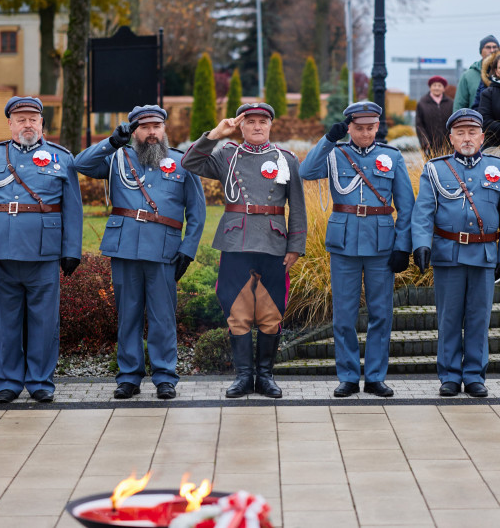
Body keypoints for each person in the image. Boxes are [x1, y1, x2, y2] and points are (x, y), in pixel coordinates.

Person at [0, 96, 83, 404]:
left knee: (44, 323)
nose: (27, 124)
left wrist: (71, 249)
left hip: (43, 253)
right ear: (9, 123)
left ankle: (40, 382)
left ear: (42, 123)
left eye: (33, 119)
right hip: (4, 252)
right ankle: (7, 381)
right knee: (6, 322)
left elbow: (73, 208)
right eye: (20, 119)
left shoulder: (61, 158)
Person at [75, 105, 205, 401]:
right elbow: (80, 164)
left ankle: (164, 377)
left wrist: (188, 249)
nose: (151, 133)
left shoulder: (182, 162)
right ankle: (129, 377)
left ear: (164, 130)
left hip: (164, 251)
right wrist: (111, 142)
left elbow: (197, 212)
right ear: (134, 131)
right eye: (144, 127)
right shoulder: (117, 158)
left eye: (156, 126)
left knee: (162, 318)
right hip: (125, 249)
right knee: (129, 316)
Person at [182, 102, 306, 399]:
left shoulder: (286, 159)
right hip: (236, 241)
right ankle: (242, 377)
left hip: (274, 243)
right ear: (241, 125)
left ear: (271, 124)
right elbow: (190, 163)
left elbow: (298, 207)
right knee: (236, 312)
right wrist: (215, 133)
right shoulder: (227, 154)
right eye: (250, 121)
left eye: (262, 120)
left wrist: (296, 246)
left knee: (271, 312)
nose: (257, 126)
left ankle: (265, 376)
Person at [299, 102, 414, 398]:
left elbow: (406, 206)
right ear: (348, 127)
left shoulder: (391, 157)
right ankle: (348, 376)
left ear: (377, 127)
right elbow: (306, 171)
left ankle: (375, 377)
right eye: (359, 128)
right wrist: (328, 139)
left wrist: (403, 246)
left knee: (381, 313)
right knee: (344, 314)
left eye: (370, 127)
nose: (365, 133)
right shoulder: (336, 154)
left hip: (381, 243)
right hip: (345, 242)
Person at [411, 109, 500, 398]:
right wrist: (421, 243)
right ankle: (449, 375)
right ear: (451, 138)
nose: (467, 138)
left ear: (482, 137)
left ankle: (474, 376)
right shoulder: (436, 169)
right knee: (449, 317)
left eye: (472, 132)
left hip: (484, 254)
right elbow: (423, 212)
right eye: (460, 133)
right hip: (449, 253)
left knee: (479, 317)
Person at [453, 35, 499, 111]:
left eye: (495, 47)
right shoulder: (468, 75)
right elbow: (459, 105)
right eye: (488, 47)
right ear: (481, 51)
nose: (491, 50)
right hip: (475, 120)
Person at [414, 75, 454, 155]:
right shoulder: (422, 103)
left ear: (443, 88)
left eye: (439, 86)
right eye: (434, 85)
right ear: (430, 87)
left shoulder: (450, 103)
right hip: (430, 146)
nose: (437, 88)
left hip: (448, 145)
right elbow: (419, 125)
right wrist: (425, 142)